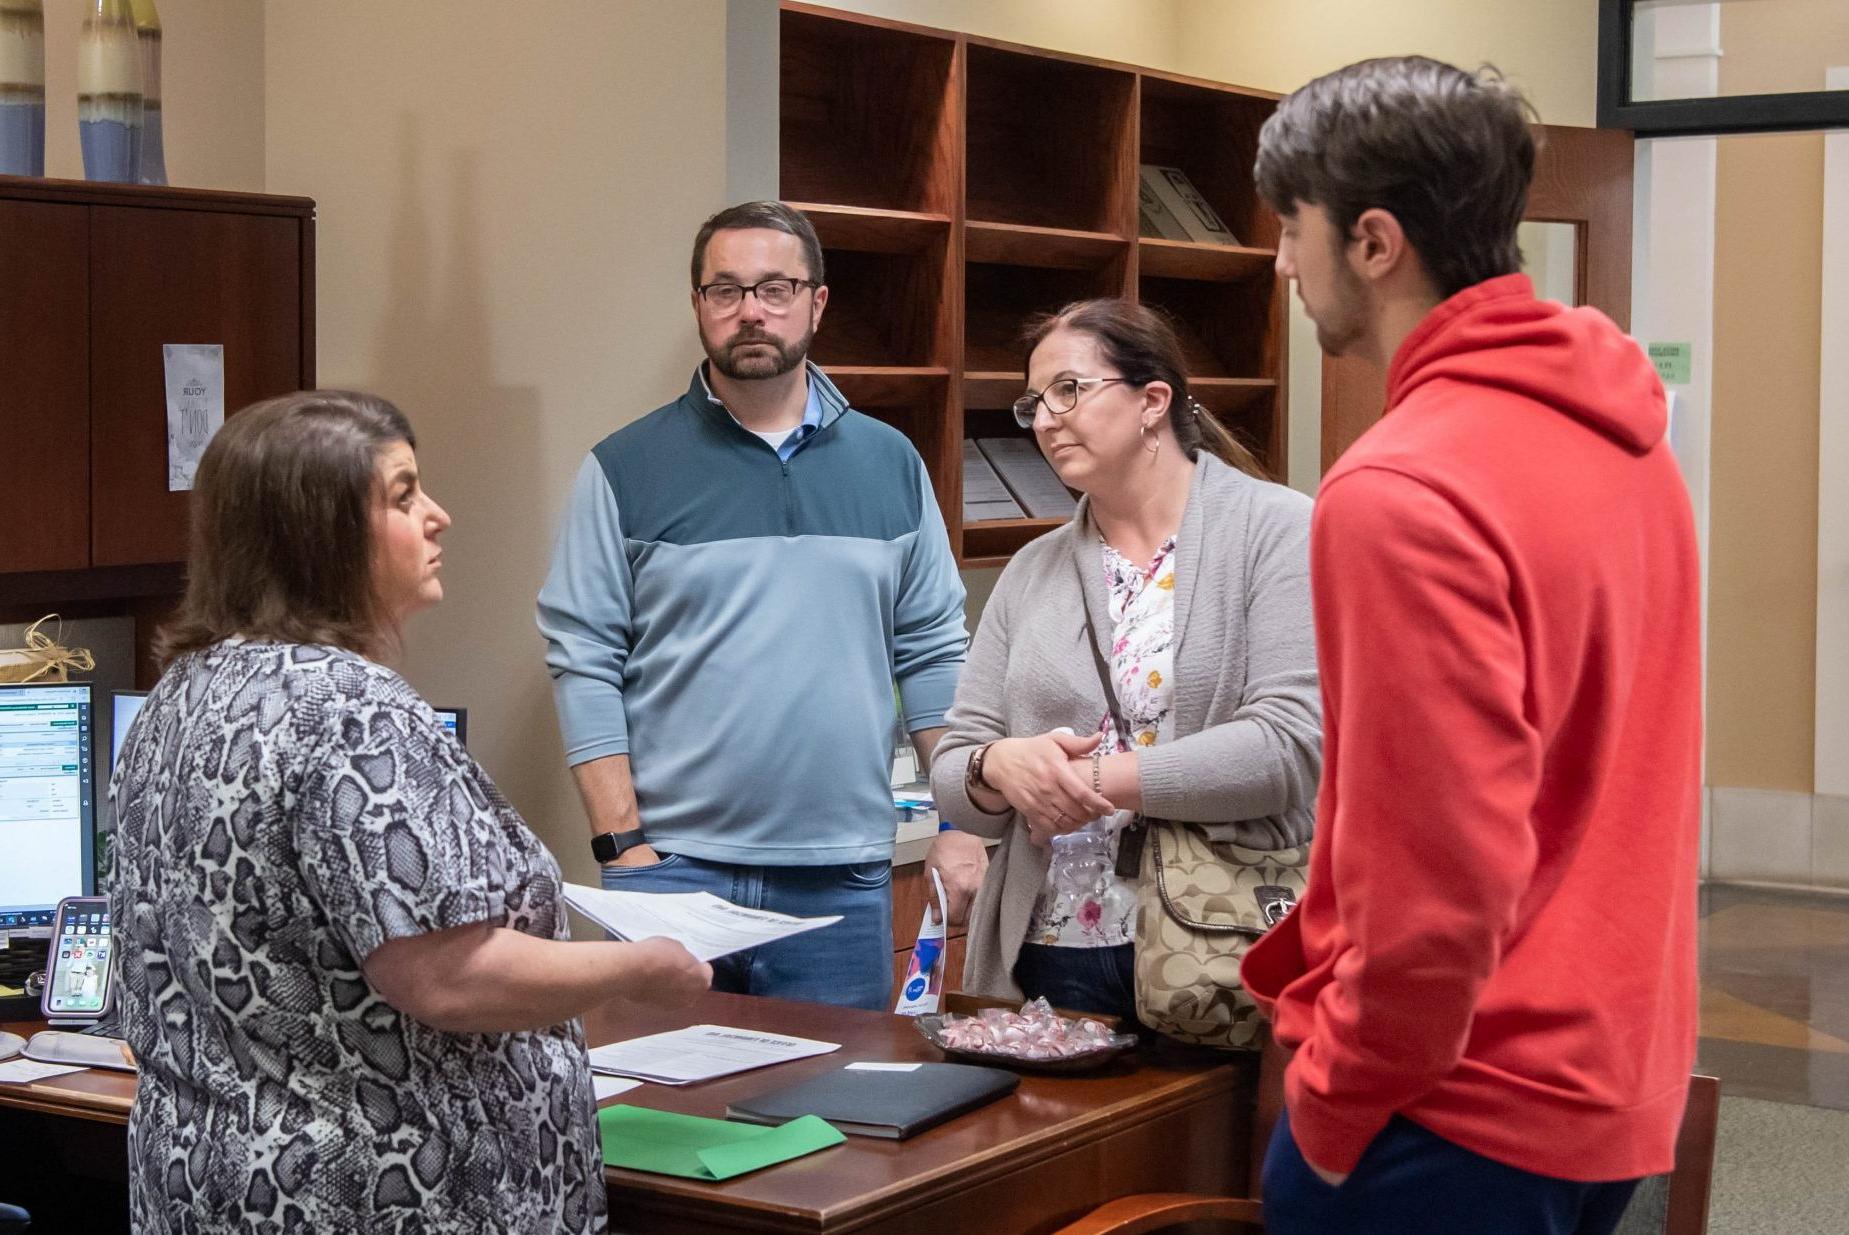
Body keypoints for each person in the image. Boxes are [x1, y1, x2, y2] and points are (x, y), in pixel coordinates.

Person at [1239, 57, 1702, 1235]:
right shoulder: (1627, 433)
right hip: (1606, 1082)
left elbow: (1434, 883)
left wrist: (1334, 1103)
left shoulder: (1399, 486)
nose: (1284, 264)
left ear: (1376, 241)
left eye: (1295, 229)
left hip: (1447, 1108)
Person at [110, 391, 712, 1234]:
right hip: (375, 1191)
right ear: (317, 532)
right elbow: (443, 973)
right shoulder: (350, 708)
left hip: (209, 1180)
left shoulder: (180, 697)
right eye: (402, 495)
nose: (439, 516)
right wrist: (636, 970)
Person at [537, 201, 970, 1011]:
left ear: (816, 302)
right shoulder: (624, 468)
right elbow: (584, 658)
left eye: (775, 288)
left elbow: (933, 650)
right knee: (664, 1124)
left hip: (840, 875)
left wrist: (956, 824)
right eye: (725, 290)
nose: (750, 311)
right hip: (672, 873)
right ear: (698, 306)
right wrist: (622, 844)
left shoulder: (891, 463)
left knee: (837, 1127)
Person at [927, 298, 1321, 1023]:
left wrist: (1091, 780)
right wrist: (996, 767)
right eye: (1033, 402)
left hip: (1224, 941)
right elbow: (953, 770)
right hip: (1052, 952)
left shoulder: (1277, 529)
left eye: (1069, 390)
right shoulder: (1030, 569)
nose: (1045, 418)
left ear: (1152, 401)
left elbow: (1288, 746)